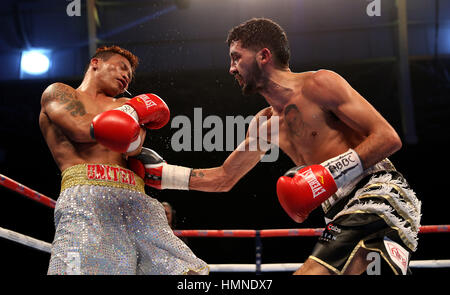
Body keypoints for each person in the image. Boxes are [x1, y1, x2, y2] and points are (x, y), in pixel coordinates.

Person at [129, 18, 421, 275]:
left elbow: (387, 137)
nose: (231, 68)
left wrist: (326, 173)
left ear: (264, 55)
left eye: (236, 57)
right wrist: (163, 175)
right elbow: (223, 178)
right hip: (340, 211)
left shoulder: (320, 84)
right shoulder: (263, 125)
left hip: (378, 194)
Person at [39, 45, 208, 275]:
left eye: (129, 75)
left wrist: (132, 113)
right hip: (87, 198)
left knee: (187, 273)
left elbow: (133, 146)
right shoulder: (60, 92)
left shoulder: (125, 106)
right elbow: (80, 128)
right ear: (95, 63)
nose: (126, 77)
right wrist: (132, 111)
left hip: (138, 202)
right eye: (122, 68)